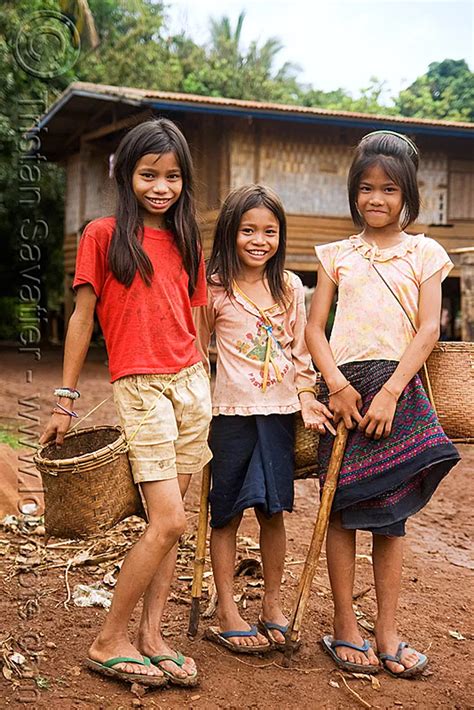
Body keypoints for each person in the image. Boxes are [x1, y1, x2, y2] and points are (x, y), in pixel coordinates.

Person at [39, 119, 212, 687]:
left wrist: (204, 373)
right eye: (149, 174)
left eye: (172, 176)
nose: (161, 187)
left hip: (191, 385)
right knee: (167, 519)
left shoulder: (188, 239)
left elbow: (196, 314)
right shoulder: (102, 234)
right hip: (140, 387)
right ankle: (108, 637)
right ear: (127, 175)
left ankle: (152, 634)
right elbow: (83, 318)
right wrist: (65, 401)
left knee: (173, 525)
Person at [306, 131, 460, 678]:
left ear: (407, 196)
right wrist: (336, 385)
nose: (376, 199)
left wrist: (392, 391)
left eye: (389, 189)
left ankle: (388, 631)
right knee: (343, 512)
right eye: (366, 188)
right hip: (345, 393)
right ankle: (346, 626)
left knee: (391, 515)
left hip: (399, 389)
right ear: (354, 193)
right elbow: (314, 328)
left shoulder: (425, 252)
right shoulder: (336, 255)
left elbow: (428, 328)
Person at [195, 184, 335, 654]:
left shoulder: (289, 287)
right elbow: (196, 349)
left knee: (274, 512)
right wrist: (194, 405)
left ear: (281, 236)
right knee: (227, 513)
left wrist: (307, 395)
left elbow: (298, 353)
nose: (259, 240)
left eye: (270, 231)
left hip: (278, 415)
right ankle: (227, 607)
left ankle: (272, 602)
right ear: (231, 232)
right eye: (248, 230)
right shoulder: (213, 285)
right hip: (230, 415)